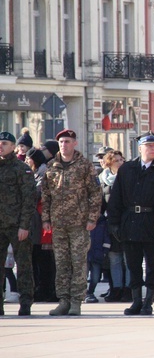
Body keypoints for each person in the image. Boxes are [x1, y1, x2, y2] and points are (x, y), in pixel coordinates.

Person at [42, 129, 102, 316]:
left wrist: (92, 218)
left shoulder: (84, 165)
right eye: (61, 142)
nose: (64, 144)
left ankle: (76, 301)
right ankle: (63, 300)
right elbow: (46, 195)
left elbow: (95, 193)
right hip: (58, 223)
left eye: (67, 141)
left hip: (79, 223)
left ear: (75, 143)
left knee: (78, 262)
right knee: (61, 263)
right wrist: (46, 219)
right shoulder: (52, 166)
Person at [107, 133, 154, 316]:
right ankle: (136, 301)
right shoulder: (127, 169)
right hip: (130, 222)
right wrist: (114, 223)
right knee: (132, 265)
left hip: (152, 222)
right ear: (139, 148)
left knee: (153, 265)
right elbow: (116, 198)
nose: (152, 149)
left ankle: (149, 301)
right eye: (148, 146)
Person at [0, 132, 36, 316]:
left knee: (23, 266)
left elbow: (29, 199)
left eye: (4, 143)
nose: (1, 146)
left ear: (13, 146)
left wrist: (24, 225)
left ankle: (25, 303)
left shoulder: (21, 169)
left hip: (16, 225)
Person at [25, 147, 56, 303]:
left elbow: (36, 193)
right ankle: (41, 288)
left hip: (41, 221)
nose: (26, 162)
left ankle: (46, 289)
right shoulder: (36, 172)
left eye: (28, 159)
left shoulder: (42, 173)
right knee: (37, 258)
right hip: (35, 222)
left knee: (43, 259)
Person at [98, 150, 127, 302]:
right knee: (114, 258)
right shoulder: (102, 179)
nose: (120, 163)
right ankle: (116, 288)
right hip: (110, 223)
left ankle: (129, 288)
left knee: (128, 258)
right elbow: (100, 201)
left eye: (122, 160)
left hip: (127, 222)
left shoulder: (128, 177)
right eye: (117, 160)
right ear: (109, 163)